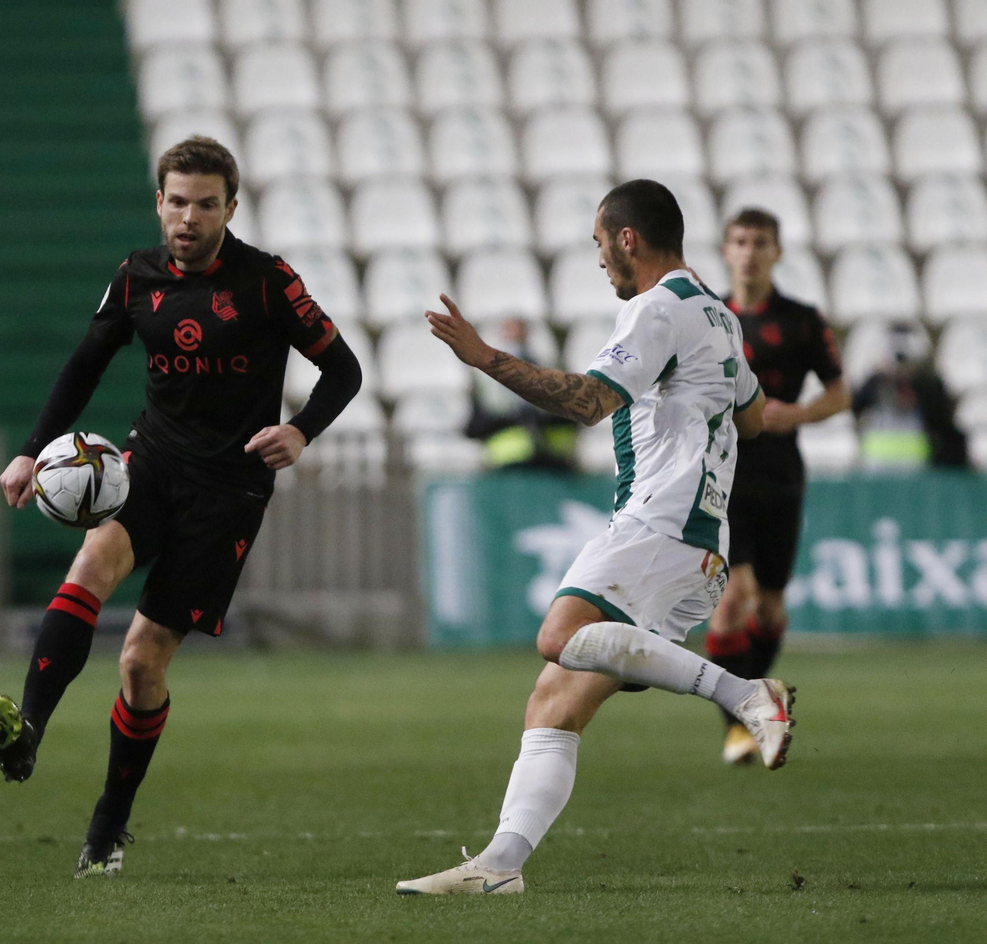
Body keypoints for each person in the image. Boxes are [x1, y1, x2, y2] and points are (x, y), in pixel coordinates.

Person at [396, 180, 793, 896]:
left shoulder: (657, 309)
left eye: (599, 243)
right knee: (555, 701)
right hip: (695, 535)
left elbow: (586, 402)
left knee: (558, 637)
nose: (600, 258)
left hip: (659, 522)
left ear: (628, 238)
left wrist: (485, 358)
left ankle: (744, 694)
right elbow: (756, 416)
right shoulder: (719, 315)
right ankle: (500, 867)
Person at [0, 137, 362, 878]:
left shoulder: (267, 282)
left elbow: (342, 369)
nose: (189, 217)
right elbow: (83, 366)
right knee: (92, 559)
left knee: (140, 661)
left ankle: (108, 823)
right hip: (151, 462)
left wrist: (299, 430)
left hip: (231, 489)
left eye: (206, 204)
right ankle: (28, 728)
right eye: (177, 201)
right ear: (158, 202)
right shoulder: (135, 277)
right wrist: (32, 449)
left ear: (231, 208)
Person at [703, 208, 849, 764]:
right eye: (740, 241)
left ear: (778, 252)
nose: (749, 251)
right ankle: (739, 725)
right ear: (725, 250)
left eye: (760, 242)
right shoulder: (711, 317)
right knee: (732, 599)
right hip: (726, 475)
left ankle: (752, 707)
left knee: (770, 610)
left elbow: (839, 394)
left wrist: (797, 415)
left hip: (783, 476)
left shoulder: (801, 320)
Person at [464, 317, 577, 471]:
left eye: (520, 331)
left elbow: (573, 416)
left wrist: (541, 415)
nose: (516, 338)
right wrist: (510, 418)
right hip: (505, 463)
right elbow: (473, 426)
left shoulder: (549, 370)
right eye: (510, 331)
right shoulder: (487, 382)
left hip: (550, 459)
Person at [851, 323, 968, 469]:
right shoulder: (874, 384)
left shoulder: (929, 387)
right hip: (878, 465)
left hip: (920, 465)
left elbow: (945, 424)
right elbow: (853, 407)